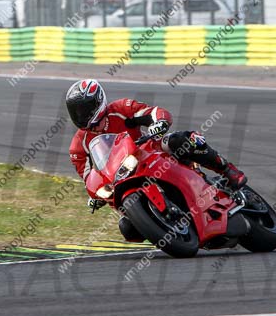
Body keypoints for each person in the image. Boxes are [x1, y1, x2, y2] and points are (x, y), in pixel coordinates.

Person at [65, 79, 246, 241]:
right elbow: (88, 177)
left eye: (85, 109)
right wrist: (96, 195)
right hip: (120, 176)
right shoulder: (78, 146)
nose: (81, 115)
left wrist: (158, 122)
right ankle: (165, 224)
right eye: (76, 111)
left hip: (147, 151)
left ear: (98, 102)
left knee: (179, 141)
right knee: (128, 229)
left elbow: (153, 112)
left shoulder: (120, 109)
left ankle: (227, 170)